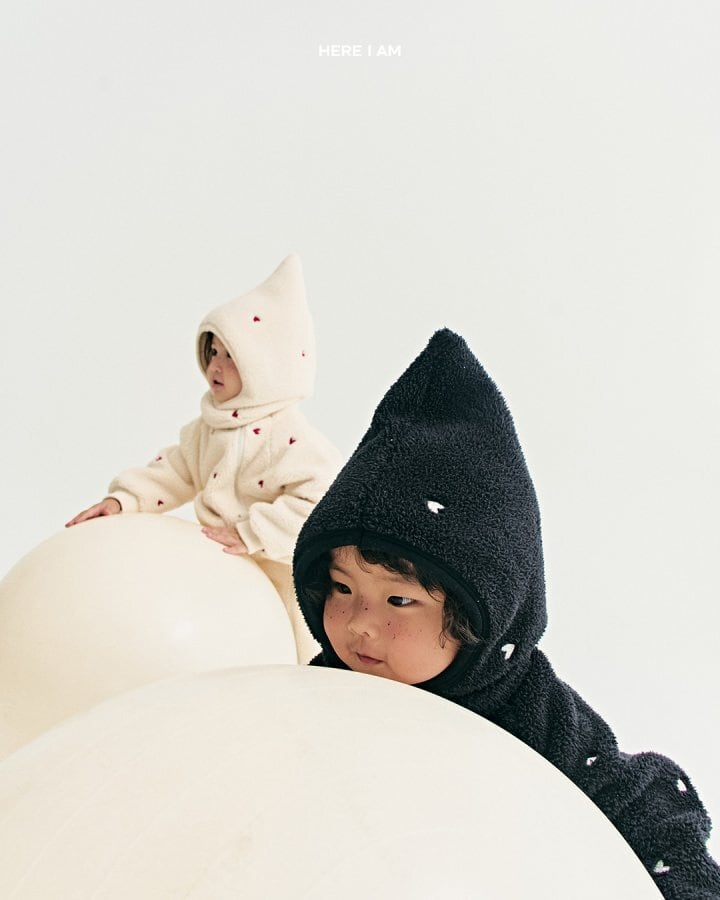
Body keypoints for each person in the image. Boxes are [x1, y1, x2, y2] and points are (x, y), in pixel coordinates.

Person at [292, 328, 720, 898]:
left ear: (480, 615)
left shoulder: (533, 712)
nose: (359, 623)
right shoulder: (324, 690)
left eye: (399, 600)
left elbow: (643, 804)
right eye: (342, 588)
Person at [67, 254, 342, 663]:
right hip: (220, 563)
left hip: (277, 570)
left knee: (295, 650)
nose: (215, 366)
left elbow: (323, 499)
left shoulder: (290, 438)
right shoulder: (209, 427)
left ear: (268, 366)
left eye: (232, 357)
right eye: (212, 352)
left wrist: (254, 531)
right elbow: (176, 470)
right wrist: (124, 500)